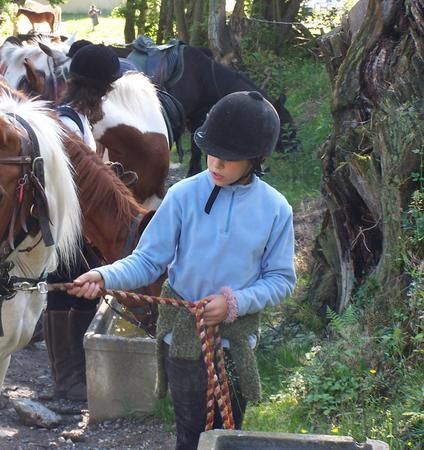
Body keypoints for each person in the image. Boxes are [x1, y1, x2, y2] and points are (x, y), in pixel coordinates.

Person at [68, 90, 296, 448]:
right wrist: (104, 276)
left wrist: (235, 303)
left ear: (255, 158)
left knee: (229, 433)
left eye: (228, 159)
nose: (216, 165)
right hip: (184, 338)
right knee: (191, 431)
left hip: (236, 341)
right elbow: (148, 259)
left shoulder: (275, 209)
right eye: (211, 154)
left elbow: (281, 280)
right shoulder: (183, 196)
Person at [42, 44, 122, 402]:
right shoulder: (69, 124)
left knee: (72, 294)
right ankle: (68, 380)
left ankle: (72, 377)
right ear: (100, 90)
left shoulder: (74, 119)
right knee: (71, 295)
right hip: (69, 228)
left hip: (72, 226)